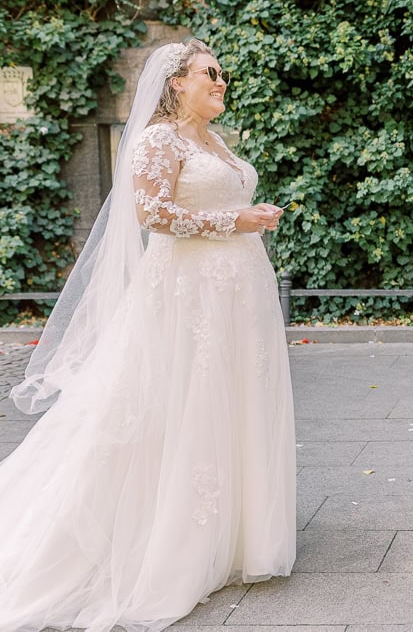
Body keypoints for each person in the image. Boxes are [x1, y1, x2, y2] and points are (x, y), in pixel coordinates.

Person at [0, 40, 296, 630]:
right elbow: (152, 214)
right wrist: (234, 220)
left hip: (236, 294)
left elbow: (209, 199)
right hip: (187, 299)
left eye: (221, 73)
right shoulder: (158, 138)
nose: (221, 81)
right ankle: (166, 543)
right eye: (209, 73)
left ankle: (234, 539)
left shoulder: (212, 140)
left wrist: (249, 214)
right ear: (175, 82)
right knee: (178, 406)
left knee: (229, 404)